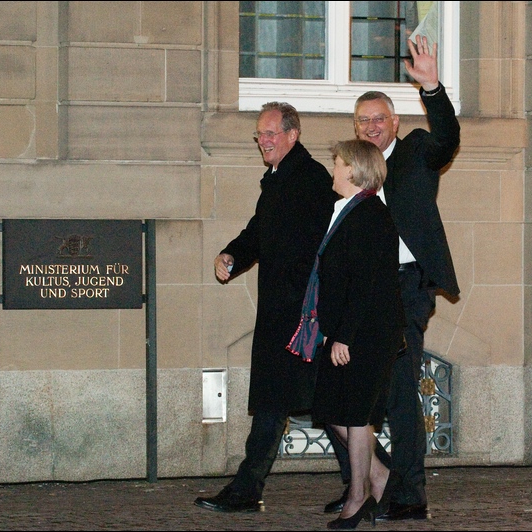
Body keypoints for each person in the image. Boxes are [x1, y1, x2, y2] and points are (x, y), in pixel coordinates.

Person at [323, 34, 461, 522]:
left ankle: (409, 494)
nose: (372, 127)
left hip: (405, 291)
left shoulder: (417, 152)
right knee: (345, 395)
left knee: (400, 391)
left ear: (395, 123)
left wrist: (432, 88)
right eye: (363, 121)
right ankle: (365, 482)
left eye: (380, 119)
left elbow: (447, 138)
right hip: (362, 296)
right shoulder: (352, 173)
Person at [194, 102, 338, 513]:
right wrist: (232, 256)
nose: (264, 141)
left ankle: (374, 481)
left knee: (317, 405)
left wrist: (301, 304)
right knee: (296, 403)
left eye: (271, 133)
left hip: (298, 315)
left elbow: (316, 248)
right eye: (259, 134)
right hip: (283, 312)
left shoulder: (309, 179)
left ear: (293, 135)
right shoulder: (279, 178)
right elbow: (259, 232)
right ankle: (249, 486)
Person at [292, 139, 405, 529]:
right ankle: (381, 476)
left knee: (356, 415)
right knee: (331, 408)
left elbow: (366, 284)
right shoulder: (347, 210)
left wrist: (344, 336)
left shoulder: (371, 215)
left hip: (366, 334)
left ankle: (358, 499)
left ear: (355, 170)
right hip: (350, 330)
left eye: (338, 163)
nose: (334, 170)